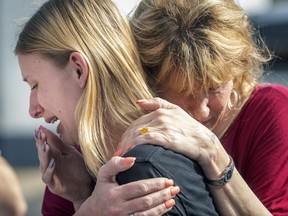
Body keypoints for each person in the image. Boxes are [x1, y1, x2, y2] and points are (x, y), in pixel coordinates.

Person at [14, 0, 220, 215]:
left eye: (35, 85)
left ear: (78, 70)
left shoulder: (142, 173)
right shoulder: (115, 174)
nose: (33, 110)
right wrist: (82, 197)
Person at [116, 0, 288, 215]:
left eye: (215, 87)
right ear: (150, 82)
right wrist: (83, 196)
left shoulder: (273, 110)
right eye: (185, 93)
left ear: (238, 68)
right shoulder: (134, 119)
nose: (203, 111)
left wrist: (212, 153)